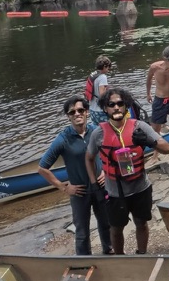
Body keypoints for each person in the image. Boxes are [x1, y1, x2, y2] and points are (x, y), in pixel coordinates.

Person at [85, 87, 169, 255]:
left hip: (140, 188)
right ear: (105, 108)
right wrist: (94, 183)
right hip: (115, 193)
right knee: (116, 229)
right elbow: (89, 158)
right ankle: (120, 258)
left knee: (141, 223)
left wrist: (148, 141)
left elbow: (167, 149)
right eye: (112, 104)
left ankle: (142, 254)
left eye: (120, 103)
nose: (116, 107)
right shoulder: (98, 134)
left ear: (126, 106)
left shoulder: (140, 127)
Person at [38, 95, 113, 255]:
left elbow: (111, 152)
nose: (77, 114)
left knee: (106, 224)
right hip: (80, 193)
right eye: (72, 112)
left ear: (87, 112)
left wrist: (106, 172)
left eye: (80, 110)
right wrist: (64, 188)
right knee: (82, 233)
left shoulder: (97, 131)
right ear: (69, 116)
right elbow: (42, 168)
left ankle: (109, 251)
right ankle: (84, 262)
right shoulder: (63, 139)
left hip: (101, 187)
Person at [85, 55, 112, 125]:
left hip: (92, 110)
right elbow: (102, 95)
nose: (109, 69)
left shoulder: (93, 75)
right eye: (108, 67)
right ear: (104, 66)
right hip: (100, 111)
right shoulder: (103, 77)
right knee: (108, 129)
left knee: (97, 130)